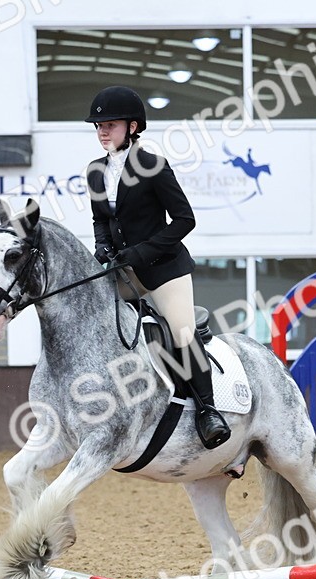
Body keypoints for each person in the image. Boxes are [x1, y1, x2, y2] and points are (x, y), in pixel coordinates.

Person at [84, 85, 231, 449]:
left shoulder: (152, 166)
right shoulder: (94, 171)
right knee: (90, 318)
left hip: (165, 270)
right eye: (98, 125)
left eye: (110, 124)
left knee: (181, 333)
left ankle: (208, 411)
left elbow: (184, 219)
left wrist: (141, 252)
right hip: (124, 273)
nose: (102, 131)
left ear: (132, 127)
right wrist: (103, 247)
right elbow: (100, 220)